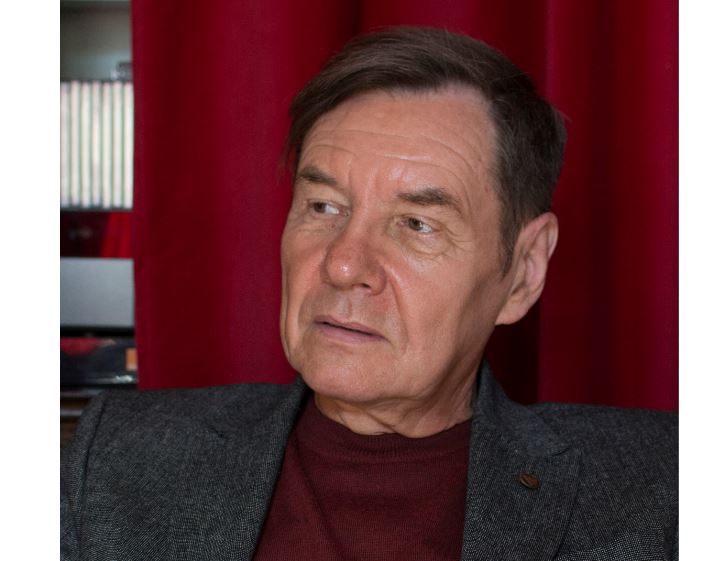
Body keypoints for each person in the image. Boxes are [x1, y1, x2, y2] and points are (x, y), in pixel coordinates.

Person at [61, 27, 677, 561]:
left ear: (522, 271)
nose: (342, 264)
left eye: (417, 224)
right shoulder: (119, 457)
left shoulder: (662, 486)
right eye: (323, 206)